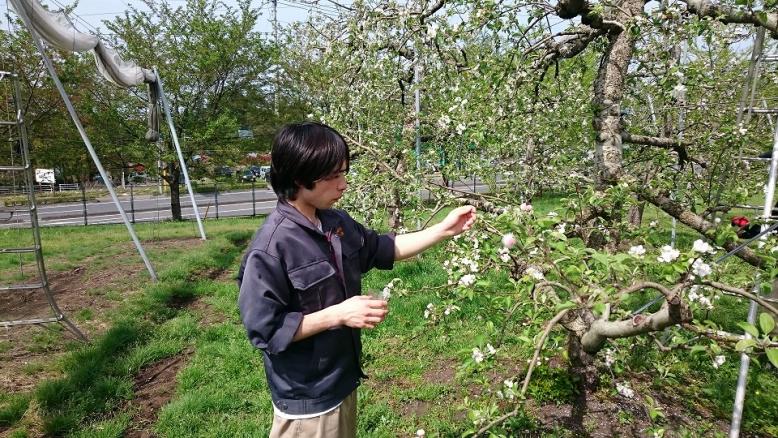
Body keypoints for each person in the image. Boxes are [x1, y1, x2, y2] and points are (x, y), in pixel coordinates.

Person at [237, 121, 476, 437]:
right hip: (309, 399)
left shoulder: (335, 222)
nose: (343, 184)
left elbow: (382, 248)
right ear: (299, 177)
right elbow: (266, 331)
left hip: (342, 381)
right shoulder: (272, 247)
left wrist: (444, 230)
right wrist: (340, 313)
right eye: (333, 175)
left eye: (344, 172)